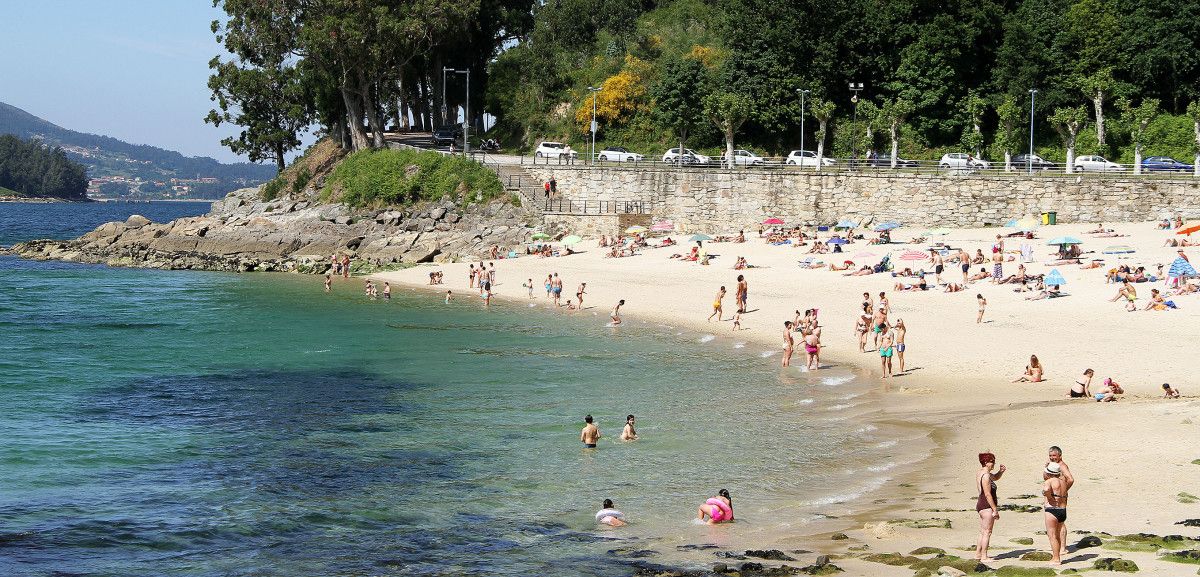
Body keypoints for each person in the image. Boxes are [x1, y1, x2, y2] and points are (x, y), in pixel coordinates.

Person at [975, 452, 1006, 562]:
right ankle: (984, 556)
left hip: (981, 504)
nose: (993, 464)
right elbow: (988, 494)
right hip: (986, 505)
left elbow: (995, 477)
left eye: (994, 461)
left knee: (982, 532)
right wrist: (995, 509)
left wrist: (1001, 472)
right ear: (985, 462)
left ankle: (978, 554)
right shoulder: (986, 476)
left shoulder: (982, 473)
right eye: (992, 461)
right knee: (987, 532)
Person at [1043, 462, 1069, 565]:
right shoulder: (1063, 482)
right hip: (1062, 510)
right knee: (1057, 534)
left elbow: (1046, 489)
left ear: (1049, 473)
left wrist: (1049, 497)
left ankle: (1056, 558)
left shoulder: (1049, 481)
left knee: (1052, 535)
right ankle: (1057, 556)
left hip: (1052, 509)